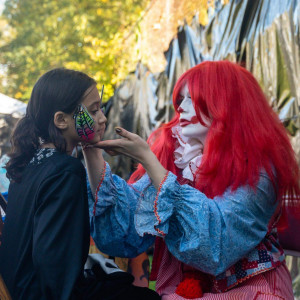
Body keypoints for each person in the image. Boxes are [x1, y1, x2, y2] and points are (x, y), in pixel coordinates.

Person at [83, 61, 300, 299]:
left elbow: (214, 248)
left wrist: (148, 160)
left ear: (223, 103)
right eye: (181, 99)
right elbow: (127, 232)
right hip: (182, 291)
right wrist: (91, 150)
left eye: (192, 98)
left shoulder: (258, 168)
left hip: (252, 291)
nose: (181, 107)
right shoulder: (174, 154)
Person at [0, 68, 161, 300]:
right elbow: (53, 265)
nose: (103, 118)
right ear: (61, 120)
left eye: (101, 108)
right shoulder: (65, 171)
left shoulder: (29, 164)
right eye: (93, 111)